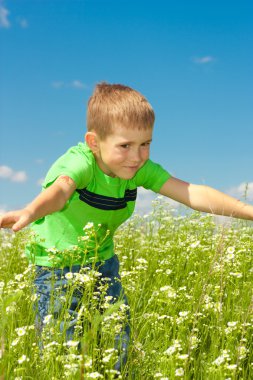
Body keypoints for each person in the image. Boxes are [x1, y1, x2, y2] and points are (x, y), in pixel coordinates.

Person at [1, 82, 253, 373]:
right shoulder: (81, 163)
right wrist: (31, 211)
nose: (137, 156)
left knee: (116, 340)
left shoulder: (139, 169)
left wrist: (249, 211)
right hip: (57, 269)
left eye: (145, 144)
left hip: (104, 263)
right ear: (94, 142)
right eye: (125, 146)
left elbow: (192, 193)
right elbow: (60, 191)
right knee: (63, 353)